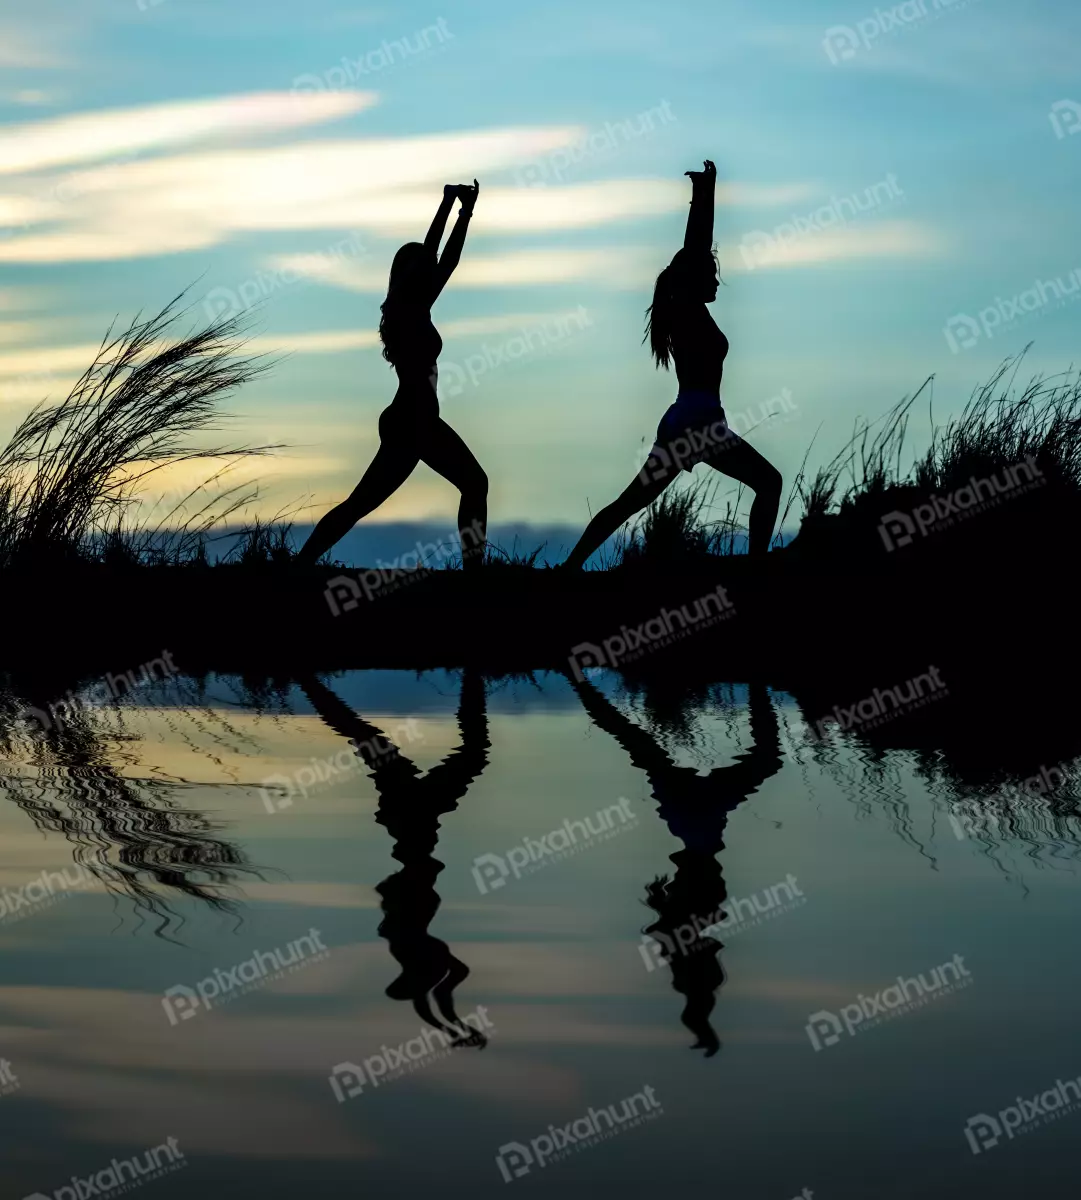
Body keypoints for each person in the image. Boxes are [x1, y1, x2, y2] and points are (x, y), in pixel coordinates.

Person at [563, 160, 782, 568]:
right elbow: (698, 243)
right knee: (769, 482)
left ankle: (569, 568)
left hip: (691, 420)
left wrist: (705, 191)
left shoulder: (689, 311)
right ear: (694, 279)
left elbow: (698, 249)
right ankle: (758, 569)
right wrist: (706, 192)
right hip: (696, 423)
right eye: (712, 275)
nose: (717, 281)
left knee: (629, 503)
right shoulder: (686, 309)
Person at [298, 183, 488, 567]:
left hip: (414, 420)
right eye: (420, 265)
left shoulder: (416, 306)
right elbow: (439, 256)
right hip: (412, 421)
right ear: (408, 273)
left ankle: (298, 564)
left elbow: (438, 257)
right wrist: (456, 207)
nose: (429, 268)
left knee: (360, 504)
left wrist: (456, 206)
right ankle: (474, 574)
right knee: (473, 483)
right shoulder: (405, 309)